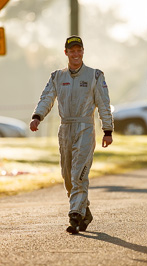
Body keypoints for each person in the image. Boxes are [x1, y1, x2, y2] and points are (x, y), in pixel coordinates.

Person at [30, 35, 113, 234]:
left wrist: (107, 130)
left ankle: (75, 213)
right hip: (65, 129)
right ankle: (85, 211)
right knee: (67, 176)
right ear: (66, 53)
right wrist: (37, 116)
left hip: (85, 128)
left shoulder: (95, 75)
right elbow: (47, 98)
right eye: (72, 51)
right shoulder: (57, 76)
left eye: (79, 50)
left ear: (83, 51)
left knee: (79, 174)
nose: (76, 54)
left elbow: (103, 104)